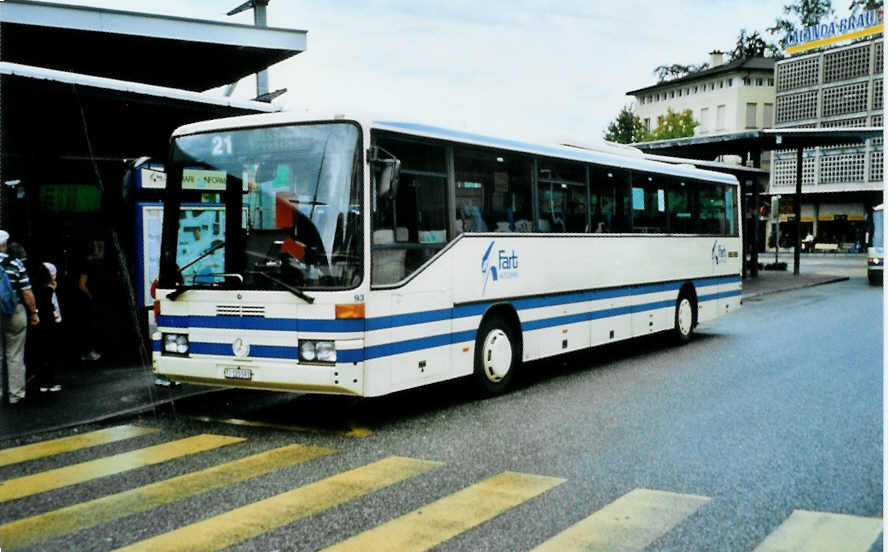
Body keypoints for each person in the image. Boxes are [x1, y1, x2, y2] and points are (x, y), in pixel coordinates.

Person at [0, 230, 39, 404]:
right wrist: (33, 312)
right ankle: (15, 395)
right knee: (15, 354)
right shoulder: (15, 264)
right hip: (14, 311)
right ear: (4, 244)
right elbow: (27, 292)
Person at [33, 262, 63, 393]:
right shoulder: (49, 290)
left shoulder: (36, 289)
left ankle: (42, 382)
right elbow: (52, 307)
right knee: (50, 353)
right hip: (49, 323)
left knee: (41, 353)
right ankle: (50, 382)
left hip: (39, 324)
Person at [70, 241, 101, 361]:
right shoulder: (87, 264)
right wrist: (90, 295)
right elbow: (82, 284)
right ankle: (88, 351)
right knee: (89, 325)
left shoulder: (82, 263)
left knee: (85, 325)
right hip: (86, 300)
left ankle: (85, 352)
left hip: (83, 299)